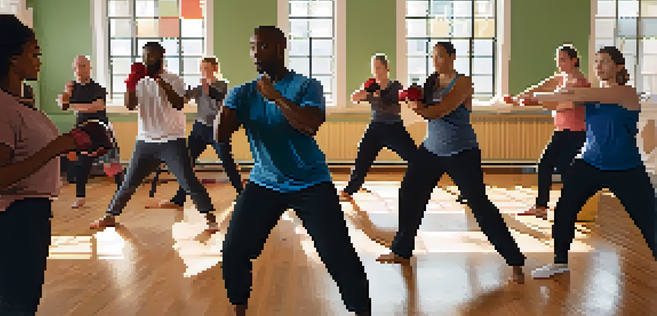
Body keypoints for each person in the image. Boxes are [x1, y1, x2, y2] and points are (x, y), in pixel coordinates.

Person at [218, 26, 372, 316]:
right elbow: (220, 136)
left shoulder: (306, 86)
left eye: (262, 47)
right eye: (252, 47)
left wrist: (275, 97)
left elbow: (309, 124)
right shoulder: (245, 93)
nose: (255, 53)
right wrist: (225, 105)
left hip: (310, 183)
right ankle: (239, 310)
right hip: (265, 183)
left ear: (280, 48)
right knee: (235, 249)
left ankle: (362, 310)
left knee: (337, 253)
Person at [0, 13, 112, 315]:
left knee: (18, 302)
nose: (39, 61)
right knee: (14, 305)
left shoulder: (17, 102)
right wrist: (59, 146)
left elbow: (31, 154)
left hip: (27, 215)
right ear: (11, 57)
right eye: (34, 53)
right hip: (6, 220)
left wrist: (75, 147)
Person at [376, 42, 526, 285]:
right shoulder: (431, 81)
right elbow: (419, 105)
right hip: (431, 149)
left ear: (453, 57)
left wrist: (417, 107)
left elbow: (440, 110)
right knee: (409, 193)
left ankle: (515, 260)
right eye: (433, 56)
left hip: (462, 151)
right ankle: (401, 251)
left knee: (480, 206)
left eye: (441, 56)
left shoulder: (464, 82)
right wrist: (408, 97)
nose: (436, 60)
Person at [531, 46, 656, 278]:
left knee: (649, 219)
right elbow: (560, 103)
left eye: (605, 62)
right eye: (597, 62)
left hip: (625, 167)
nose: (599, 66)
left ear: (619, 66)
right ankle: (560, 262)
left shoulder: (626, 93)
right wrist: (529, 98)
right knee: (564, 210)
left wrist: (539, 95)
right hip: (589, 163)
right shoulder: (593, 93)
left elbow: (575, 96)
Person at [89, 42, 218, 233]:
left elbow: (178, 104)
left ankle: (210, 218)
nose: (147, 60)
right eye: (144, 56)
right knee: (129, 182)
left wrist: (159, 81)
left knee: (188, 180)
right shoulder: (140, 80)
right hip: (146, 141)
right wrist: (132, 83)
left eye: (151, 56)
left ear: (161, 56)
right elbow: (130, 105)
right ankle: (110, 216)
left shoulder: (174, 79)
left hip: (172, 139)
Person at [505, 44, 591, 220]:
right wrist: (519, 98)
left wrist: (531, 103)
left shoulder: (582, 84)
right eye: (558, 59)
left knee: (565, 168)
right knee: (545, 165)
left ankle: (574, 207)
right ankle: (541, 207)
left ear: (574, 60)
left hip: (576, 133)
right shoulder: (562, 79)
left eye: (563, 59)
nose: (559, 63)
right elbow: (540, 88)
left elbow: (565, 105)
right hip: (561, 131)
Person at [147, 56, 244, 210]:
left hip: (217, 130)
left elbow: (216, 95)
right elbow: (183, 99)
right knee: (187, 162)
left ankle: (243, 196)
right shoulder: (199, 88)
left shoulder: (223, 85)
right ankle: (179, 199)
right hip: (199, 129)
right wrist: (165, 87)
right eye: (202, 68)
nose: (203, 71)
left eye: (206, 68)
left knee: (228, 164)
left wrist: (206, 87)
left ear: (215, 69)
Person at [340, 54, 417, 202]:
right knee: (362, 158)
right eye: (374, 67)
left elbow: (392, 104)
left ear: (387, 68)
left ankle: (422, 184)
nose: (376, 71)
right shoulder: (370, 85)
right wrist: (368, 91)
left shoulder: (395, 86)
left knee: (414, 157)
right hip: (375, 128)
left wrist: (380, 94)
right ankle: (350, 190)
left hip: (394, 127)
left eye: (379, 67)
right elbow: (354, 97)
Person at [58, 55, 120, 208]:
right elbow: (63, 105)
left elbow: (98, 106)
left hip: (100, 129)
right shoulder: (72, 88)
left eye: (83, 66)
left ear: (90, 68)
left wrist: (74, 105)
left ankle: (122, 192)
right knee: (82, 163)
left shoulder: (98, 88)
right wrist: (66, 96)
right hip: (83, 131)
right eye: (77, 67)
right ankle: (80, 197)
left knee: (112, 163)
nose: (80, 70)